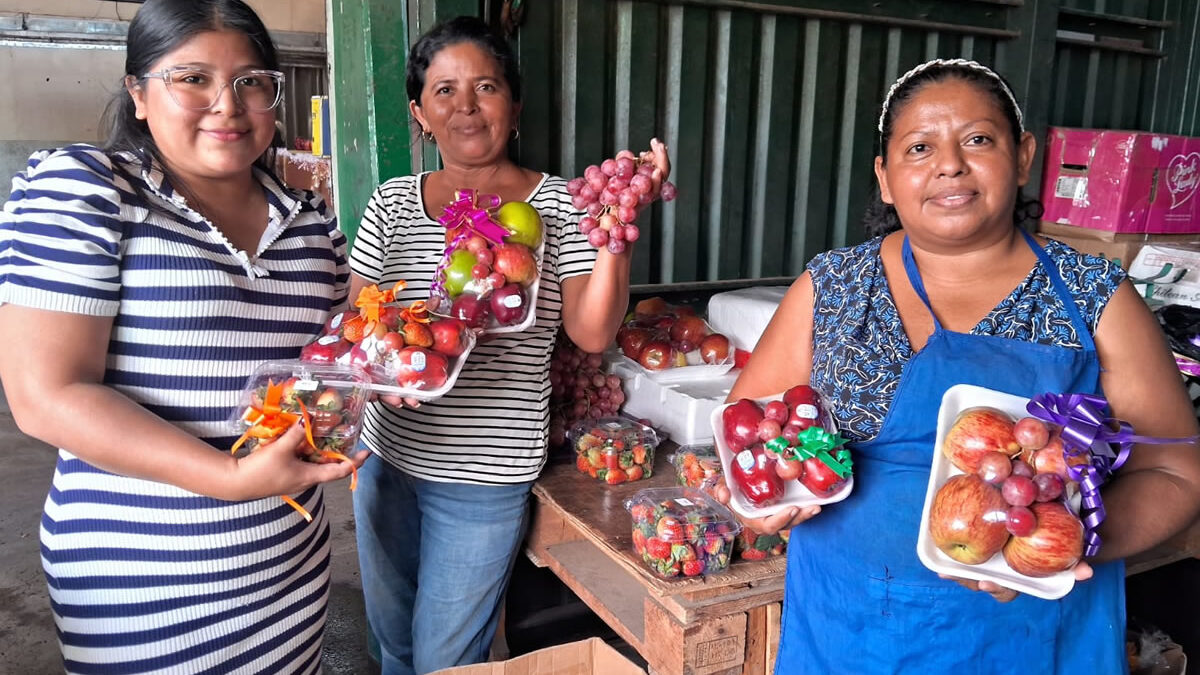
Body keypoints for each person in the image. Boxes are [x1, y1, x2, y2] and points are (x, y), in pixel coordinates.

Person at [719, 59, 1200, 673]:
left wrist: (1071, 544)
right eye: (920, 147)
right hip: (852, 632)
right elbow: (746, 437)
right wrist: (757, 500)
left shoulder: (1093, 297)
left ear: (1023, 157)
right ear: (886, 178)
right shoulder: (832, 288)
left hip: (1033, 637)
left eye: (978, 139)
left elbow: (1177, 471)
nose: (950, 163)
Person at [0, 1, 366, 672]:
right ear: (139, 93)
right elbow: (44, 394)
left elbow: (332, 364)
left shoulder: (311, 221)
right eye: (191, 78)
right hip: (141, 579)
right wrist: (228, 476)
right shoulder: (86, 189)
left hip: (289, 563)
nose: (227, 105)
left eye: (252, 81)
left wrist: (381, 377)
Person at [347, 15, 668, 675]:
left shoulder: (562, 206)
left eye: (486, 86)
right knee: (394, 644)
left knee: (447, 660)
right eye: (444, 91)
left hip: (485, 476)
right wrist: (387, 366)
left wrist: (616, 229)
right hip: (387, 459)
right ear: (419, 113)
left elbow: (591, 331)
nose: (465, 106)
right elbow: (360, 319)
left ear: (514, 106)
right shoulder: (391, 204)